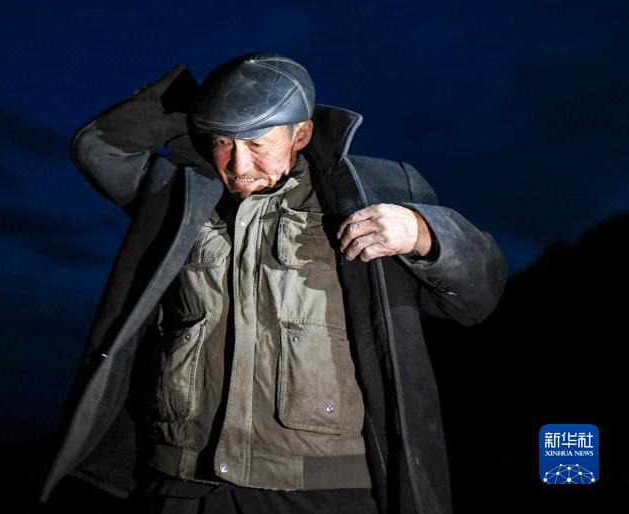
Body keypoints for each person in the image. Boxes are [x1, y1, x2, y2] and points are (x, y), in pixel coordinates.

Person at [41, 53, 508, 513]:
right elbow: (97, 147)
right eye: (222, 141)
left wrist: (424, 233)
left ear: (300, 133)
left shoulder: (375, 189)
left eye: (257, 143)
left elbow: (479, 297)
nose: (238, 164)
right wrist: (205, 98)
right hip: (183, 486)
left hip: (321, 493)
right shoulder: (180, 195)